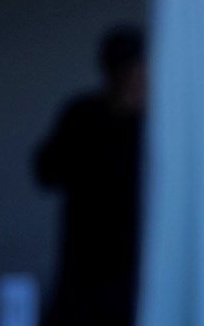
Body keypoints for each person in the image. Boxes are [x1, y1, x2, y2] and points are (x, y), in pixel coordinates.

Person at [34, 24, 146, 326]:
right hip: (85, 266)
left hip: (138, 265)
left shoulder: (157, 125)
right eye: (123, 69)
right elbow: (46, 171)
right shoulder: (82, 116)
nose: (131, 78)